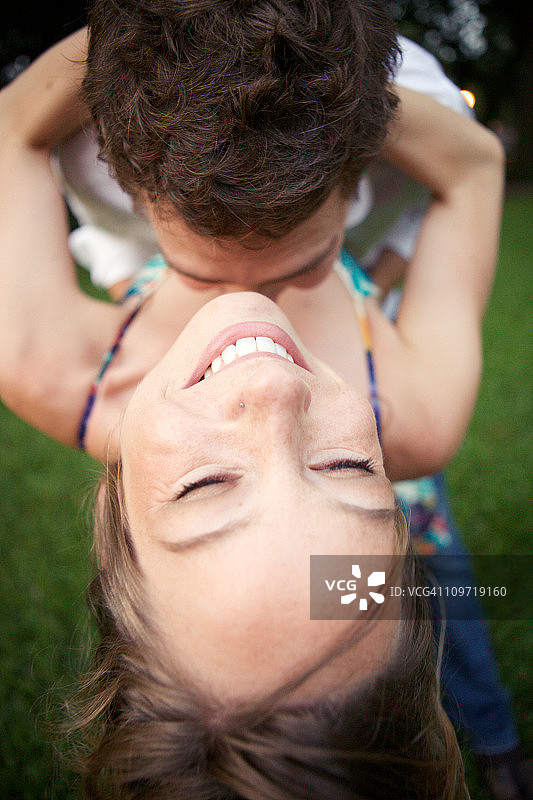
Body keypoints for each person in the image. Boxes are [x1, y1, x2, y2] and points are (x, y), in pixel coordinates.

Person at [0, 4, 506, 797]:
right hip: (401, 515)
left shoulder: (54, 369)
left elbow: (10, 126)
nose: (273, 386)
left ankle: (493, 735)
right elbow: (473, 167)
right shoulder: (417, 416)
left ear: (117, 533)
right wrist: (345, 100)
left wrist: (169, 48)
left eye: (208, 486)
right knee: (451, 589)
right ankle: (500, 735)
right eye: (345, 464)